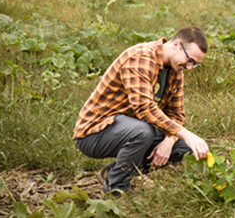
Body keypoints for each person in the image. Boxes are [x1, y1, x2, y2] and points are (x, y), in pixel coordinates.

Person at [73, 26, 210, 195]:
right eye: (190, 60)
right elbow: (144, 108)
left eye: (195, 64)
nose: (190, 67)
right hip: (94, 132)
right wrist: (185, 133)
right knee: (142, 132)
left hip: (130, 128)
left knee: (186, 148)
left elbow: (176, 115)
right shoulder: (141, 58)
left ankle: (114, 172)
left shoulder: (175, 70)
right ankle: (115, 193)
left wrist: (169, 140)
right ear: (176, 45)